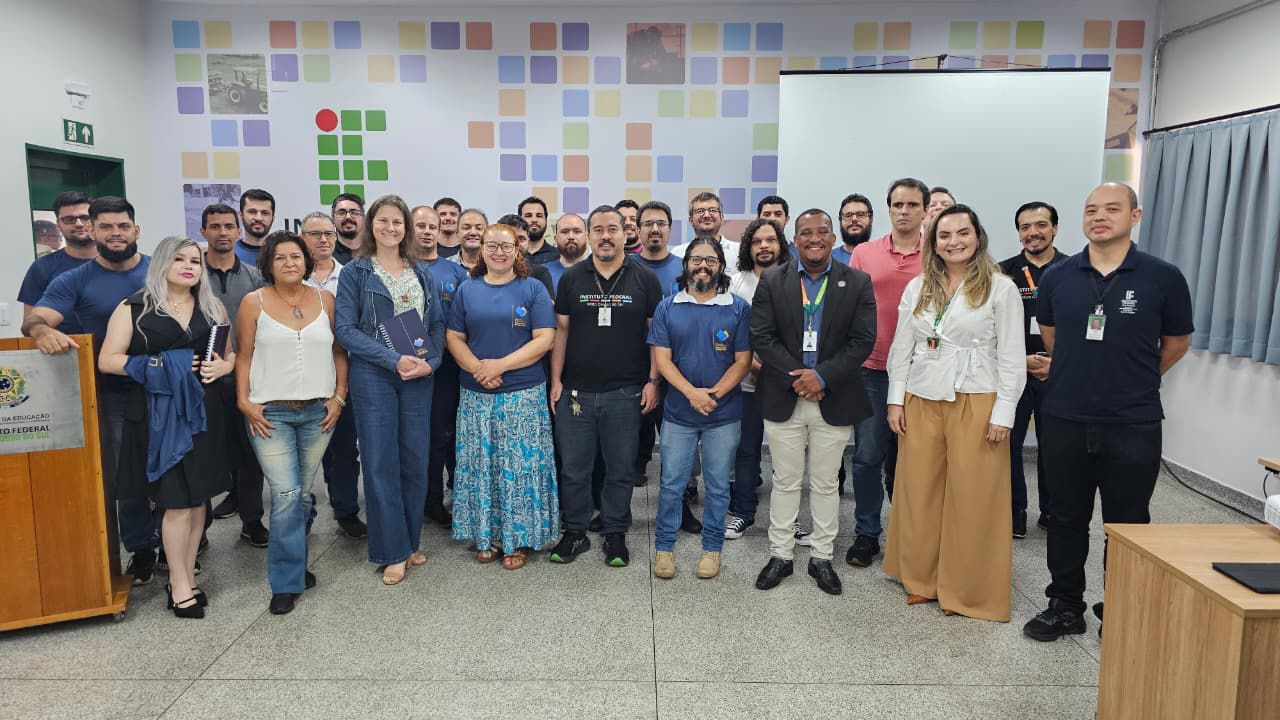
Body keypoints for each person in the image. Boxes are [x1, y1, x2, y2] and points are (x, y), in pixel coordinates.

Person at [1023, 183, 1192, 641]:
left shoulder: (1162, 277)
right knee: (1065, 516)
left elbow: (1177, 343)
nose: (1099, 217)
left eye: (1112, 209)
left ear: (1135, 216)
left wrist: (1136, 377)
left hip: (1133, 420)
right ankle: (1064, 605)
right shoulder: (1058, 277)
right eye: (1091, 210)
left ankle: (1121, 605)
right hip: (1065, 415)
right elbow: (1052, 335)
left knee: (1129, 521)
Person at [882, 205, 1025, 622]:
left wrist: (1004, 412)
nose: (954, 241)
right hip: (922, 396)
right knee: (919, 490)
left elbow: (1012, 355)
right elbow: (902, 347)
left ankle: (967, 590)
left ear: (978, 237)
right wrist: (895, 399)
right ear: (933, 242)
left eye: (963, 233)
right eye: (944, 235)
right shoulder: (919, 286)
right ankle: (921, 579)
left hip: (976, 398)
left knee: (973, 497)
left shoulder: (1000, 288)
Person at [99, 236, 235, 618]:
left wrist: (224, 366)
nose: (189, 266)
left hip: (204, 412)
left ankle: (187, 576)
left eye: (195, 261)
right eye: (179, 259)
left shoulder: (212, 307)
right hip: (158, 416)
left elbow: (230, 354)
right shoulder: (134, 308)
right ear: (162, 263)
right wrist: (161, 365)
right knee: (176, 502)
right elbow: (107, 360)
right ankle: (177, 584)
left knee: (198, 501)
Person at [24, 196, 158, 584]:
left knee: (176, 468)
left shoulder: (159, 271)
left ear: (136, 230)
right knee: (127, 477)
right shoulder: (74, 279)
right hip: (113, 394)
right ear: (93, 231)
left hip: (165, 388)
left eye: (123, 226)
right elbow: (36, 318)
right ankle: (142, 548)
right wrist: (42, 330)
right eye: (106, 227)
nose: (116, 234)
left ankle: (181, 543)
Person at [752, 209, 876, 595]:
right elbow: (762, 336)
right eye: (805, 233)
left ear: (832, 237)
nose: (814, 238)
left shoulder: (857, 281)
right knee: (785, 480)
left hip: (834, 395)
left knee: (825, 482)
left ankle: (822, 557)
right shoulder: (773, 280)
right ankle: (781, 555)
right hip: (784, 394)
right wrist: (801, 379)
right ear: (795, 240)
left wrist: (821, 377)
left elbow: (862, 341)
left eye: (822, 231)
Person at [235, 231, 348, 614]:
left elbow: (338, 351)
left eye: (295, 256)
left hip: (318, 412)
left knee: (300, 495)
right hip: (270, 414)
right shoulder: (253, 302)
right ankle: (285, 582)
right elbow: (244, 355)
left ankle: (295, 563)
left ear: (307, 261)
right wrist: (244, 401)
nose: (289, 263)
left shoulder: (325, 299)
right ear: (268, 264)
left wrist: (339, 396)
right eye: (280, 257)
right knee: (285, 494)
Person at [335, 194, 445, 585]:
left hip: (418, 376)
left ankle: (410, 542)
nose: (390, 228)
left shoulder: (422, 273)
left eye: (397, 222)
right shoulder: (356, 272)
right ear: (371, 225)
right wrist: (393, 359)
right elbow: (345, 330)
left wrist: (431, 362)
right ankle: (392, 551)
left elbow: (437, 326)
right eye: (382, 221)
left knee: (415, 460)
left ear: (406, 229)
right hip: (374, 376)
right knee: (380, 462)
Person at [549, 205, 662, 566]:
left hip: (626, 393)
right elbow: (561, 331)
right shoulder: (572, 279)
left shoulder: (645, 279)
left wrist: (653, 381)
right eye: (598, 230)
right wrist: (556, 380)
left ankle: (615, 533)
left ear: (626, 233)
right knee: (574, 468)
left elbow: (657, 336)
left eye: (612, 228)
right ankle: (575, 532)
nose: (605, 236)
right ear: (588, 236)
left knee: (620, 468)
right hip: (576, 392)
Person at [446, 224, 559, 569]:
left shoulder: (533, 288)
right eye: (492, 246)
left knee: (519, 469)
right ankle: (489, 536)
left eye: (506, 246)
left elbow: (545, 338)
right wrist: (478, 369)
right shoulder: (467, 289)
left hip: (522, 394)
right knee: (483, 466)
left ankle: (518, 539)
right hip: (476, 395)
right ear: (481, 249)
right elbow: (454, 337)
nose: (499, 252)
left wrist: (500, 366)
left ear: (517, 250)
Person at [649, 237, 752, 579]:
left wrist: (713, 395)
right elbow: (662, 361)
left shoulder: (738, 308)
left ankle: (712, 549)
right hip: (678, 414)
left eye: (710, 260)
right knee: (672, 485)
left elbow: (742, 361)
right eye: (696, 259)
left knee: (718, 486)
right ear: (686, 265)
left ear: (721, 266)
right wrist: (692, 394)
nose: (703, 266)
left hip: (722, 415)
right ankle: (664, 548)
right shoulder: (668, 307)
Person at [843, 178, 928, 569]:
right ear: (888, 209)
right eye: (897, 204)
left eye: (912, 205)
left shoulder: (938, 252)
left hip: (924, 372)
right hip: (873, 369)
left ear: (925, 210)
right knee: (867, 456)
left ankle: (912, 537)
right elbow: (848, 308)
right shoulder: (865, 252)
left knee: (918, 461)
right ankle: (866, 533)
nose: (904, 211)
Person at [200, 203, 269, 548]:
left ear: (238, 231)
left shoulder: (255, 277)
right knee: (202, 455)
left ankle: (252, 520)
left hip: (247, 378)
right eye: (215, 226)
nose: (223, 232)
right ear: (203, 232)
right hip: (202, 381)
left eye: (229, 226)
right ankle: (198, 531)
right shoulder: (192, 275)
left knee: (250, 455)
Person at [999, 202, 1066, 538]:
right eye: (1025, 227)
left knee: (1054, 446)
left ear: (1054, 228)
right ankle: (1015, 511)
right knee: (1007, 445)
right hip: (1015, 369)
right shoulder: (1002, 272)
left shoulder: (1074, 270)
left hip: (1059, 372)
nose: (1033, 233)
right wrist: (1019, 360)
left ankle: (1052, 510)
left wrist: (1059, 362)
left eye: (1040, 225)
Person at [635, 200, 701, 530]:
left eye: (661, 223)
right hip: (631, 369)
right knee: (622, 448)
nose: (655, 229)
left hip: (676, 372)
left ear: (670, 229)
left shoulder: (684, 269)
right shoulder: (626, 268)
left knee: (676, 449)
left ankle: (680, 510)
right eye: (648, 223)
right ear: (638, 230)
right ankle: (613, 512)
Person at [302, 212, 367, 540]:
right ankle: (302, 512)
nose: (323, 240)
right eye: (315, 234)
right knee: (304, 452)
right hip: (301, 376)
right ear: (303, 238)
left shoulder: (351, 275)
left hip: (344, 373)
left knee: (343, 448)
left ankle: (346, 510)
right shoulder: (292, 278)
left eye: (328, 233)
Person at [725, 218, 789, 540]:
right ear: (748, 247)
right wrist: (750, 364)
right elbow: (728, 331)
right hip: (747, 383)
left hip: (785, 384)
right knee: (747, 450)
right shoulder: (737, 283)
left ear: (780, 245)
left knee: (785, 455)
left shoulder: (795, 280)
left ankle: (788, 519)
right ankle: (744, 513)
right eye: (757, 241)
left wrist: (778, 368)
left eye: (770, 240)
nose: (764, 246)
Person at [415, 204, 470, 526]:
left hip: (449, 367)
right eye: (419, 225)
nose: (426, 232)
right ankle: (425, 498)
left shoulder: (455, 273)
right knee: (419, 439)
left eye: (431, 227)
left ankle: (447, 499)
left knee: (445, 436)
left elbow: (465, 320)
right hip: (409, 365)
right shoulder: (400, 269)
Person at [19, 191, 95, 324]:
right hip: (62, 338)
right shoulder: (42, 267)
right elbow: (30, 325)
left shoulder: (115, 262)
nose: (79, 223)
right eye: (69, 219)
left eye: (85, 217)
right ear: (58, 225)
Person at [672, 192, 740, 277]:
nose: (707, 215)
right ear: (690, 219)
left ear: (722, 217)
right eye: (700, 211)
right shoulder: (677, 253)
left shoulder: (739, 252)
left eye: (712, 210)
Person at [496, 214, 556, 298]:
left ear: (528, 241)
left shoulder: (540, 274)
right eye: (509, 238)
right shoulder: (484, 273)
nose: (516, 244)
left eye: (521, 239)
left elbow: (547, 305)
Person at [544, 213, 587, 293]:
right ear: (556, 239)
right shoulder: (543, 272)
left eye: (577, 231)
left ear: (586, 237)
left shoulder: (600, 272)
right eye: (565, 232)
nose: (571, 237)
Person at [234, 188, 275, 266]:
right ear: (241, 215)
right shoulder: (228, 254)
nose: (258, 218)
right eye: (252, 212)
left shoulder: (284, 254)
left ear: (273, 218)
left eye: (265, 213)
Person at [832, 193, 874, 266]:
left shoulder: (882, 257)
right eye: (848, 215)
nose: (854, 219)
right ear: (840, 220)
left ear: (871, 219)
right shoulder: (827, 259)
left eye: (861, 214)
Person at [519, 196, 558, 265]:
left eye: (539, 216)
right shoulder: (511, 255)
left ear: (546, 220)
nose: (534, 220)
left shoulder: (559, 256)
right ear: (519, 220)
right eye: (528, 216)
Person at [331, 193, 365, 266]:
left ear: (363, 218)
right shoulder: (327, 254)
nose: (348, 217)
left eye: (354, 212)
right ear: (333, 219)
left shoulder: (377, 250)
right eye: (341, 213)